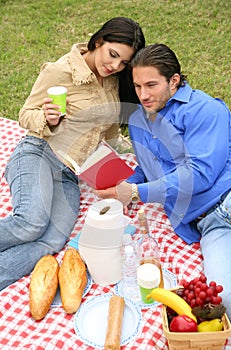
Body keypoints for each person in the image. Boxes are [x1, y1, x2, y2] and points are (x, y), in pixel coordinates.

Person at [0, 17, 145, 290]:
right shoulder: (61, 71)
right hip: (39, 153)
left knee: (52, 240)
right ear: (99, 41)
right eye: (112, 55)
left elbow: (109, 130)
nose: (114, 66)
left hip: (71, 172)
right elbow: (25, 114)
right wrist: (47, 118)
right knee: (31, 223)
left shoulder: (111, 79)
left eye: (123, 62)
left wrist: (127, 158)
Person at [96, 43, 231, 324]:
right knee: (226, 299)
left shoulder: (205, 110)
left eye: (151, 85)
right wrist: (124, 185)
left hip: (229, 198)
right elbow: (149, 168)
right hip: (210, 224)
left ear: (174, 81)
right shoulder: (137, 120)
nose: (143, 95)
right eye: (137, 86)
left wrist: (136, 192)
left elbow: (200, 175)